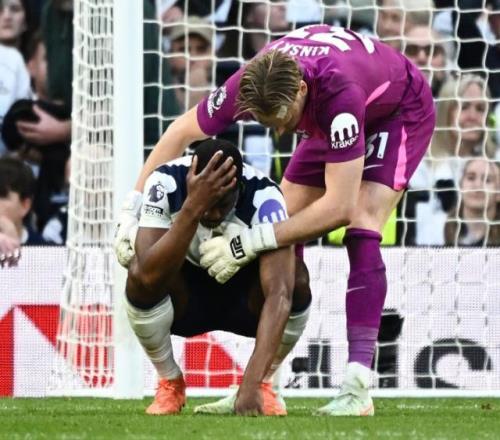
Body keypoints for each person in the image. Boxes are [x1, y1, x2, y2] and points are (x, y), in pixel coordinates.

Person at [114, 24, 436, 416]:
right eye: (267, 122)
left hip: (398, 109)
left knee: (362, 223)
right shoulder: (251, 80)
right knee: (282, 218)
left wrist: (247, 242)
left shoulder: (339, 95)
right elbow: (180, 132)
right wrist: (131, 207)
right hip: (329, 112)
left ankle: (357, 389)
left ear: (299, 90)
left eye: (283, 119)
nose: (281, 132)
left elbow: (339, 207)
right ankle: (265, 386)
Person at [125, 139, 311, 416]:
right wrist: (192, 206)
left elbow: (280, 294)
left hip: (244, 303)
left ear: (239, 189)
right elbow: (149, 275)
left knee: (297, 278)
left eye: (221, 204)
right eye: (207, 204)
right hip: (185, 300)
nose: (212, 213)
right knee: (137, 275)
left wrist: (252, 382)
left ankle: (264, 386)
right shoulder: (164, 182)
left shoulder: (266, 196)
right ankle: (170, 382)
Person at [444, 158, 500, 246]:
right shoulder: (435, 230)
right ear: (460, 186)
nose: (477, 186)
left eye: (487, 180)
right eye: (471, 178)